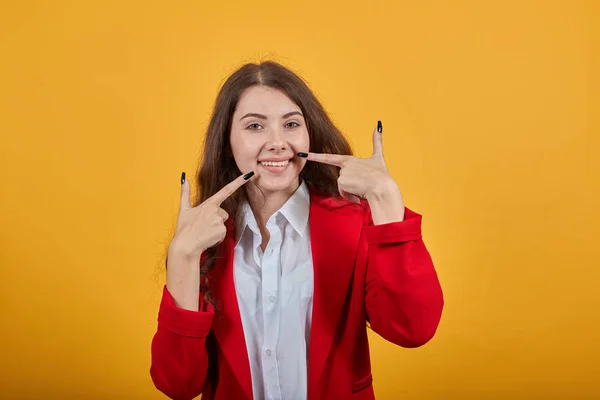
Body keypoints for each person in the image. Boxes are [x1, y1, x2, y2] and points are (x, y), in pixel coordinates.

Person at [150, 61, 444, 400]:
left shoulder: (355, 222)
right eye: (255, 126)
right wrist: (183, 256)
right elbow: (178, 384)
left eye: (291, 124)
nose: (277, 143)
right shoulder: (203, 240)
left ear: (309, 134)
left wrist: (386, 201)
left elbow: (413, 329)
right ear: (227, 141)